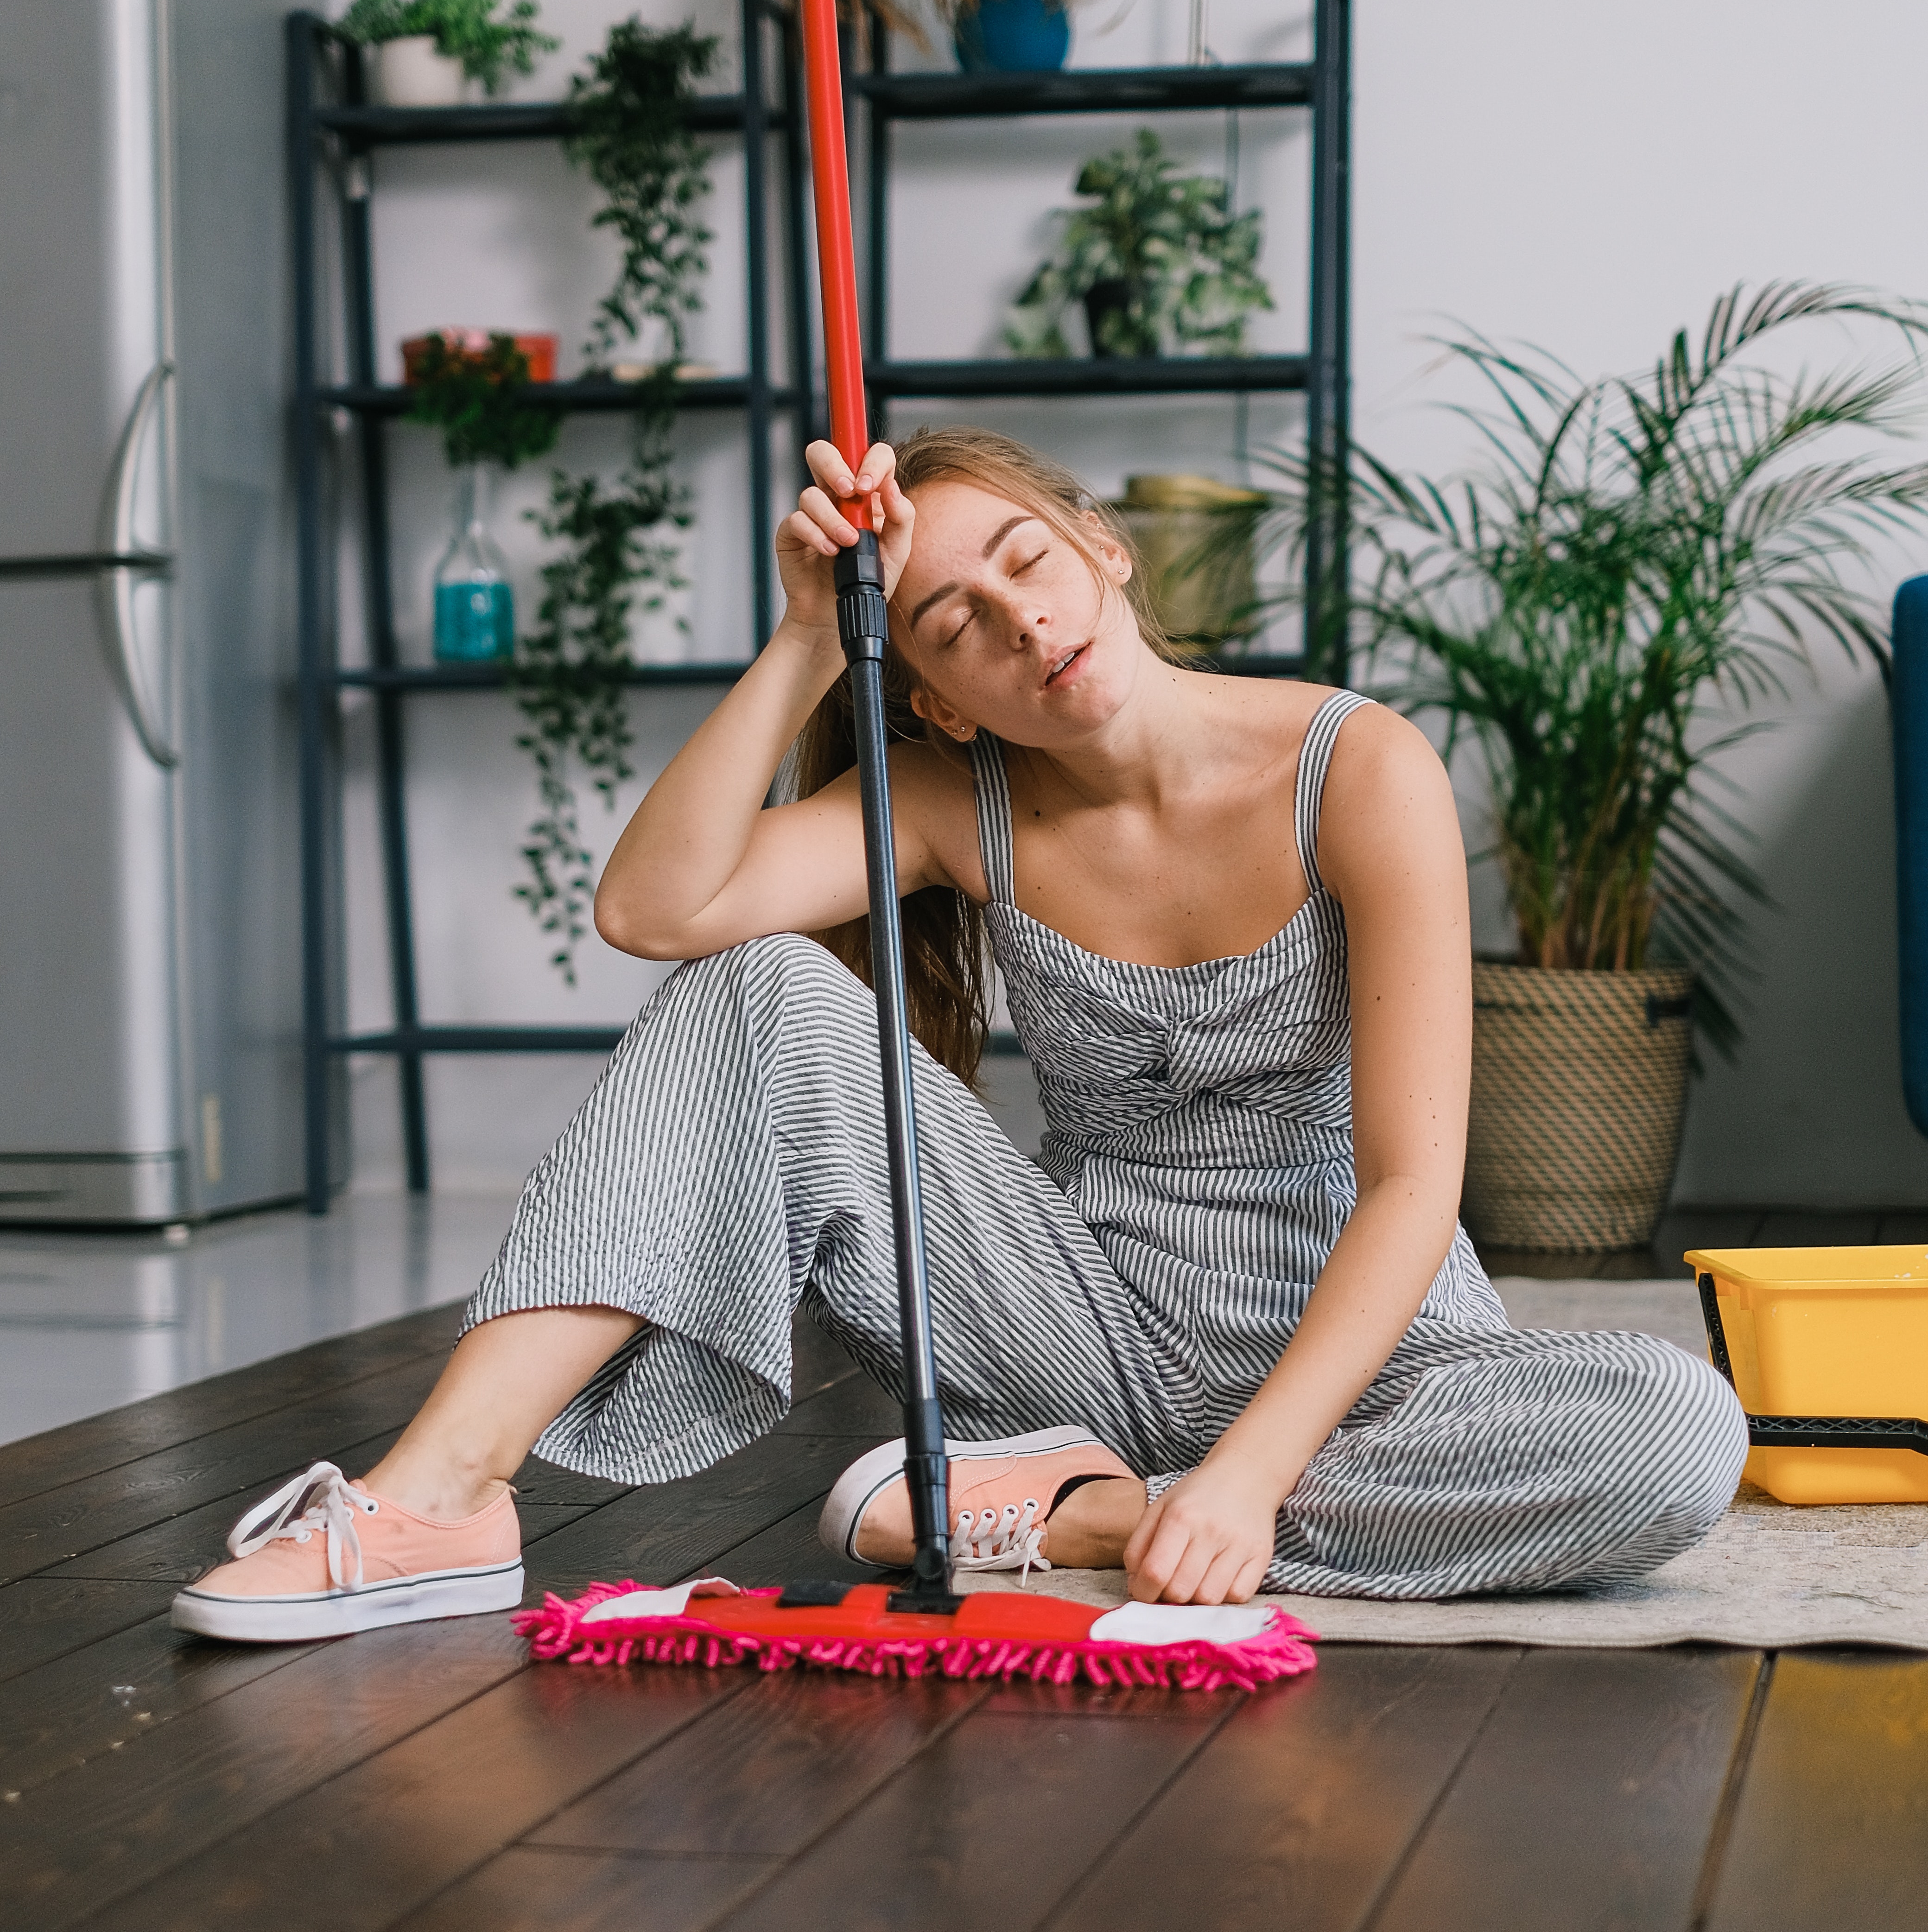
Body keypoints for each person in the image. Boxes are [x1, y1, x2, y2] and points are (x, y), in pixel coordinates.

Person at [174, 426, 1746, 1643]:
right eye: (954, 623)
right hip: (1087, 1334)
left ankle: (1065, 1518)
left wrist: (1259, 1474)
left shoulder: (1359, 766)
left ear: (1105, 550)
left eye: (1028, 561)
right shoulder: (951, 801)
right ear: (932, 699)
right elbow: (659, 912)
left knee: (1679, 1431)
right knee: (764, 987)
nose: (1020, 620)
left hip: (1381, 1379)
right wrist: (804, 634)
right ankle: (436, 1498)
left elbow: (1415, 1187)